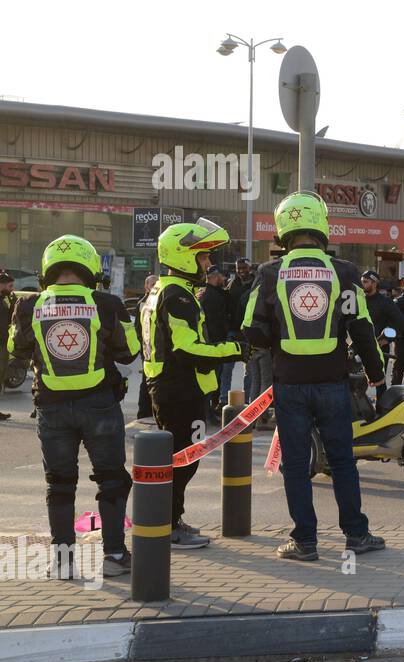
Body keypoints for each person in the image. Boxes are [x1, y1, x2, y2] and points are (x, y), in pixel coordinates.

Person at [241, 192, 387, 562]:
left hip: (289, 385)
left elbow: (251, 331)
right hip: (333, 384)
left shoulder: (269, 273)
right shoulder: (345, 272)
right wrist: (377, 376)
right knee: (341, 462)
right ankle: (357, 535)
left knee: (295, 464)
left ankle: (304, 542)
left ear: (283, 230)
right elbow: (363, 329)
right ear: (321, 225)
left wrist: (277, 338)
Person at [8, 236, 139, 578]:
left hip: (51, 408)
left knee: (59, 484)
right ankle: (113, 555)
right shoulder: (107, 303)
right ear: (90, 268)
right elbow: (130, 352)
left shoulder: (28, 305)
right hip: (99, 404)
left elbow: (16, 350)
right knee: (111, 480)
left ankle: (64, 562)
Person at [141, 220, 245, 549]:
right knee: (183, 459)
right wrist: (236, 349)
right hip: (179, 389)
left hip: (171, 387)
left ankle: (173, 520)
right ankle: (169, 526)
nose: (207, 263)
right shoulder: (177, 295)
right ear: (183, 256)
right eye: (201, 257)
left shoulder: (164, 290)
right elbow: (187, 349)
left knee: (184, 457)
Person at [199, 264, 236, 422]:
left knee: (216, 378)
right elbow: (213, 322)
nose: (224, 279)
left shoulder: (213, 293)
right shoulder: (209, 295)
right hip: (214, 342)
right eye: (222, 276)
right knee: (212, 377)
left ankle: (211, 410)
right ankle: (207, 411)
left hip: (215, 341)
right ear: (215, 276)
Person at [361, 270, 402, 395]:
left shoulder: (385, 302)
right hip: (359, 346)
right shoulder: (357, 300)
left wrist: (386, 339)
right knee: (356, 382)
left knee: (380, 383)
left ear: (374, 283)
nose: (362, 284)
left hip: (379, 347)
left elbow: (399, 322)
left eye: (365, 282)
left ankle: (381, 410)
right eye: (361, 282)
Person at [133, 274, 158, 419]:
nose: (155, 285)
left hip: (158, 349)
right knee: (146, 382)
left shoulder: (159, 300)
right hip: (148, 349)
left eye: (157, 283)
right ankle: (143, 413)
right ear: (146, 286)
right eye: (152, 283)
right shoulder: (143, 304)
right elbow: (138, 329)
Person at [0, 270, 15, 420]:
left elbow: (10, 317)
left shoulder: (4, 298)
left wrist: (12, 303)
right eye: (10, 286)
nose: (11, 289)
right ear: (2, 285)